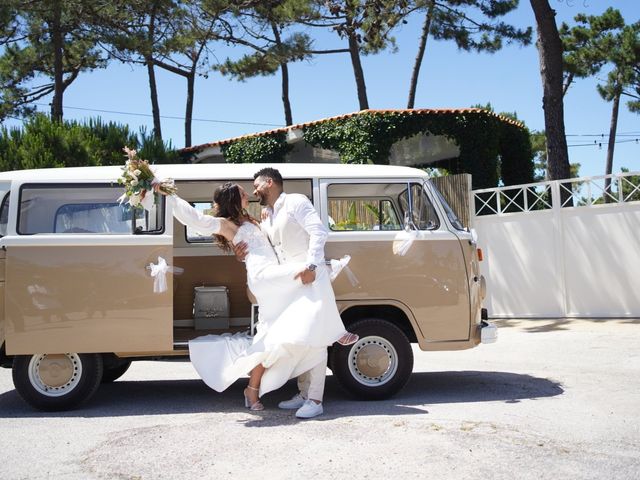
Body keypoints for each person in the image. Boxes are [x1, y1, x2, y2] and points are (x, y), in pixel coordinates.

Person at [158, 181, 354, 418]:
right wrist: (168, 195)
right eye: (242, 193)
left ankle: (252, 391)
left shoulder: (252, 219)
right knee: (315, 269)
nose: (248, 194)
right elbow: (195, 219)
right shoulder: (225, 224)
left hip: (275, 277)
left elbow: (266, 244)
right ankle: (337, 331)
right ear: (232, 198)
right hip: (264, 276)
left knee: (269, 339)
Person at [233, 167, 357, 419]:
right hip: (290, 282)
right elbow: (266, 247)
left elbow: (318, 232)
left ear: (270, 182)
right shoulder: (267, 214)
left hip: (311, 278)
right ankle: (303, 392)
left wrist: (311, 266)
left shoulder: (296, 201)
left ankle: (315, 399)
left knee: (316, 337)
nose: (254, 190)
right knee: (300, 337)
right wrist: (242, 255)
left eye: (257, 185)